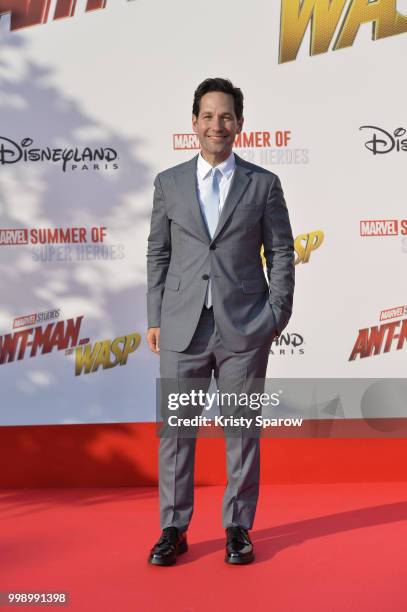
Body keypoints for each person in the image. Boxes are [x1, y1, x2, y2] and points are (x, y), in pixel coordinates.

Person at [146, 77, 295, 565]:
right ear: (193, 123)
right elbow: (159, 253)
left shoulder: (263, 184)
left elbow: (280, 251)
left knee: (241, 430)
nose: (217, 125)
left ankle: (237, 526)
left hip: (245, 328)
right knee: (176, 431)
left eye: (226, 116)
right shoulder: (168, 183)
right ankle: (173, 527)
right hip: (181, 326)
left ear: (240, 124)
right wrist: (155, 316)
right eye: (208, 116)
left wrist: (276, 314)